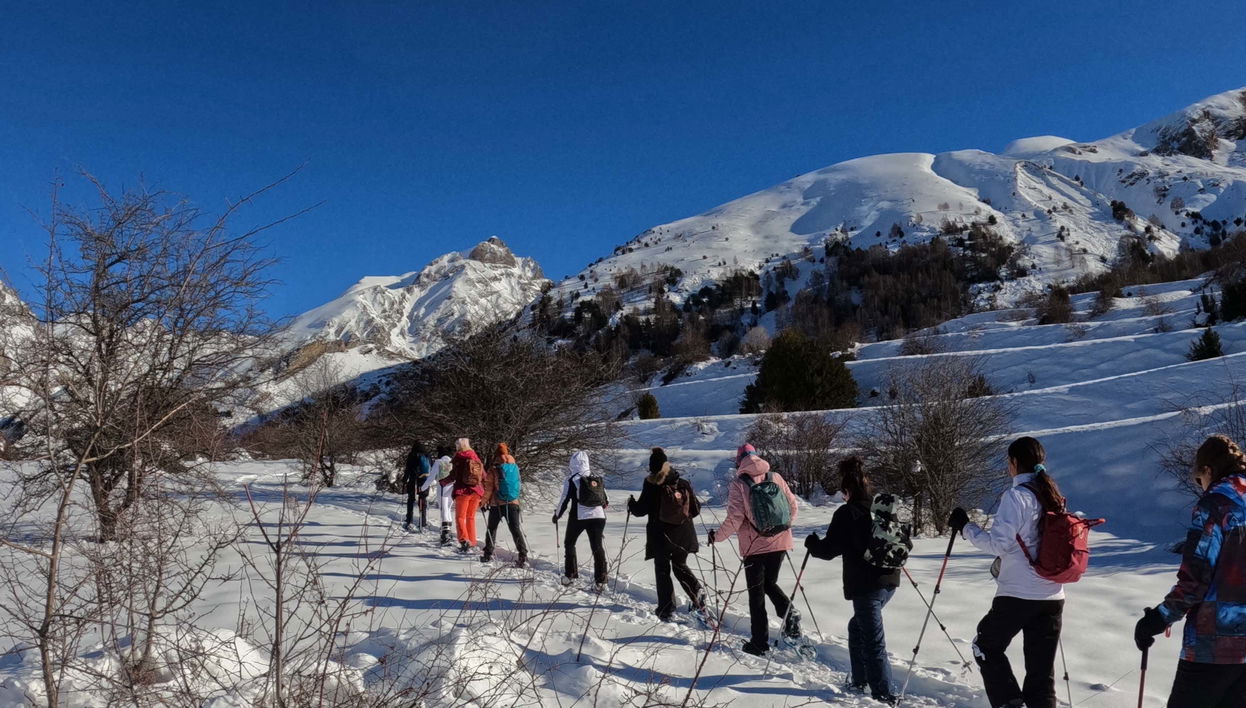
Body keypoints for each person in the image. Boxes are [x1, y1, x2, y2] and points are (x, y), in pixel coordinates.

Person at [948, 436, 1066, 708]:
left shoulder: (1017, 497)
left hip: (1018, 593)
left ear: (1013, 462)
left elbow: (998, 544)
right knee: (1041, 675)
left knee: (985, 646)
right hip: (1053, 595)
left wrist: (966, 527)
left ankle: (1010, 703)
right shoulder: (1054, 496)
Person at [1134, 434, 1246, 707]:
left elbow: (1196, 577)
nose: (1201, 486)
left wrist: (1159, 618)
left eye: (1199, 479)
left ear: (1207, 470)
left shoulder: (1215, 504)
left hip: (1214, 643)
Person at [806, 457, 902, 704]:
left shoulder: (846, 513)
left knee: (873, 640)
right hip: (890, 580)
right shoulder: (880, 508)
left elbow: (828, 550)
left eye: (842, 493)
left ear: (846, 490)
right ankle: (860, 680)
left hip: (866, 586)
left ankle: (883, 694)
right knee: (857, 628)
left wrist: (812, 544)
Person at [708, 443, 801, 656]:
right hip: (781, 542)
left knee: (756, 595)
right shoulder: (775, 477)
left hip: (754, 546)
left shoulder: (739, 484)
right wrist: (782, 528)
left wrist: (717, 537)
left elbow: (735, 518)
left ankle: (759, 643)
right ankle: (789, 613)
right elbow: (793, 506)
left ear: (739, 461)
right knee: (769, 583)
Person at [627, 447, 706, 621]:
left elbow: (641, 510)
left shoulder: (651, 484)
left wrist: (631, 504)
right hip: (684, 534)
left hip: (661, 535)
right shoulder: (682, 482)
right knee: (680, 565)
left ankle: (666, 608)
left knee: (662, 569)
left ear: (652, 467)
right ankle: (696, 591)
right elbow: (696, 509)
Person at [553, 451, 609, 590]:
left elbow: (564, 500)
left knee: (570, 543)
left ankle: (570, 576)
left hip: (579, 516)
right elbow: (606, 501)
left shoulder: (572, 479)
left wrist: (557, 515)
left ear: (573, 464)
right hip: (599, 517)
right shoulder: (596, 478)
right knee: (597, 546)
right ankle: (601, 581)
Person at [481, 442, 529, 568]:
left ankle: (487, 554)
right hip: (513, 502)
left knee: (491, 528)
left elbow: (488, 489)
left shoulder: (494, 469)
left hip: (497, 504)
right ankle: (523, 555)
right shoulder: (515, 467)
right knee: (515, 529)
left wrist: (482, 502)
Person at [446, 438, 485, 554]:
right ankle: (472, 541)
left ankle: (464, 541)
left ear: (459, 446)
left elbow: (453, 475)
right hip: (476, 492)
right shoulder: (475, 457)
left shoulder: (458, 458)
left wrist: (443, 482)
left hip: (462, 491)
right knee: (470, 517)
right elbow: (484, 475)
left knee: (460, 517)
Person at [422, 445, 455, 545]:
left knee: (444, 509)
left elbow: (431, 477)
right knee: (448, 508)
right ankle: (448, 532)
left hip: (442, 487)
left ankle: (445, 535)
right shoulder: (453, 462)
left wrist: (423, 488)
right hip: (453, 487)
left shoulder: (438, 462)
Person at [402, 440, 431, 531]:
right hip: (424, 480)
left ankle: (409, 521)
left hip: (413, 479)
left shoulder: (412, 454)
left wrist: (404, 479)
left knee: (411, 499)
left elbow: (408, 468)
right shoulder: (427, 455)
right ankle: (423, 523)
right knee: (422, 500)